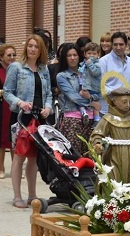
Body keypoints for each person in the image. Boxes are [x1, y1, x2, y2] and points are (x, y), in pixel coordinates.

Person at [3, 34, 53, 208]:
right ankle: (17, 196)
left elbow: (48, 94)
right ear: (26, 48)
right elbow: (7, 92)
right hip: (21, 117)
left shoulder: (44, 69)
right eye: (30, 46)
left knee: (34, 158)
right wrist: (20, 103)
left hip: (40, 117)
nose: (32, 49)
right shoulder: (16, 67)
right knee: (19, 156)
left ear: (41, 50)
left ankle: (32, 194)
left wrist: (48, 107)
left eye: (36, 47)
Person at [90, 87, 130, 184]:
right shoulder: (108, 118)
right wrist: (98, 144)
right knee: (114, 179)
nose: (128, 105)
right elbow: (97, 134)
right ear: (114, 101)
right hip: (114, 155)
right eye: (124, 102)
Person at [56, 43, 99, 155]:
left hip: (90, 120)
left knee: (90, 156)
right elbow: (74, 97)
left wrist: (91, 97)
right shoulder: (62, 76)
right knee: (73, 157)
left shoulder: (87, 72)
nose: (72, 58)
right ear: (65, 58)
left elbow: (98, 92)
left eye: (75, 55)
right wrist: (92, 103)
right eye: (69, 55)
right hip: (72, 119)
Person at [98, 32, 130, 116]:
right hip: (108, 111)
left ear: (126, 44)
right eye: (115, 44)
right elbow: (99, 86)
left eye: (121, 44)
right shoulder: (103, 62)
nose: (118, 47)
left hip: (129, 111)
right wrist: (116, 94)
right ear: (112, 45)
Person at [0, 44, 17, 179]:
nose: (12, 58)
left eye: (13, 55)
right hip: (1, 107)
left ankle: (15, 168)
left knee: (14, 137)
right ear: (1, 57)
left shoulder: (17, 69)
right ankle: (1, 168)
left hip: (14, 106)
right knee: (2, 138)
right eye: (9, 55)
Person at [78, 42, 102, 127]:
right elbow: (81, 72)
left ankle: (96, 119)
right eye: (89, 53)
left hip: (94, 88)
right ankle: (84, 113)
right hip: (86, 86)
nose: (91, 56)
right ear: (84, 54)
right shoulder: (84, 63)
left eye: (94, 54)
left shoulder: (97, 64)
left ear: (98, 55)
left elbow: (96, 72)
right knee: (79, 98)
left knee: (95, 104)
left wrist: (89, 64)